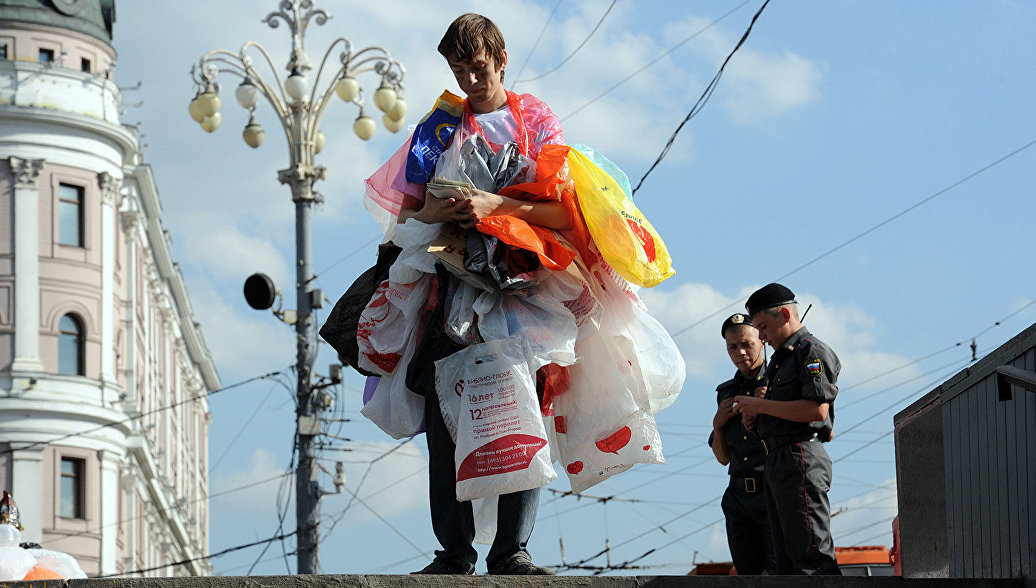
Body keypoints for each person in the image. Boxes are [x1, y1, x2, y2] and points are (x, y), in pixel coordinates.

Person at [402, 13, 563, 576]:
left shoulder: (535, 120)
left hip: (523, 287)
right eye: (457, 68)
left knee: (522, 409)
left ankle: (512, 549)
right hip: (450, 286)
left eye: (477, 66)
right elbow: (407, 212)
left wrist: (497, 208)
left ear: (501, 58)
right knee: (447, 417)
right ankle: (453, 551)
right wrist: (437, 212)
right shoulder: (438, 126)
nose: (468, 79)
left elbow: (564, 210)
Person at [733, 283, 841, 575]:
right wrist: (755, 418)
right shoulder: (782, 359)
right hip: (780, 459)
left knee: (812, 558)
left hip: (800, 456)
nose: (762, 338)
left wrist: (762, 407)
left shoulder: (810, 351)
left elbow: (816, 410)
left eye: (763, 327)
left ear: (784, 315)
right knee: (787, 565)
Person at [709, 313, 775, 574]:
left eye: (747, 344)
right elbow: (723, 457)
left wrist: (768, 405)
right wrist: (718, 424)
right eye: (732, 347)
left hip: (772, 490)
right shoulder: (726, 393)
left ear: (762, 341)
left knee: (780, 573)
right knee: (747, 575)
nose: (740, 352)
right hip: (738, 495)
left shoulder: (777, 383)